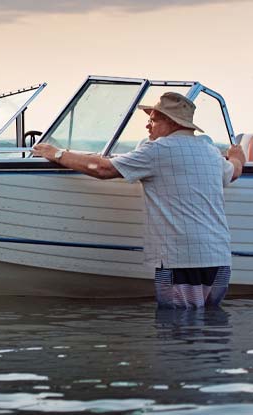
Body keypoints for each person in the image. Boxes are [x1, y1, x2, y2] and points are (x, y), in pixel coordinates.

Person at [32, 92, 245, 308]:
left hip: (180, 260)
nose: (147, 126)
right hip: (219, 260)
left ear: (170, 122)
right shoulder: (210, 152)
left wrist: (56, 154)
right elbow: (234, 171)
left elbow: (102, 169)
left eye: (152, 119)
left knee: (176, 328)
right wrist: (237, 156)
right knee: (210, 325)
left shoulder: (157, 150)